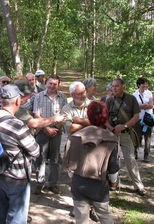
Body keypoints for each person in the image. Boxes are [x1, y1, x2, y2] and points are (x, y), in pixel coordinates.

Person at [63, 101, 118, 224]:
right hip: (99, 184)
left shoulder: (75, 137)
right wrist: (113, 184)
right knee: (105, 216)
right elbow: (113, 169)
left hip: (78, 182)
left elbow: (69, 166)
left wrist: (74, 178)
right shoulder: (111, 139)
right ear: (105, 116)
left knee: (81, 219)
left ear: (89, 116)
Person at [0, 84, 40, 224]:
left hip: (0, 174)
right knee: (17, 217)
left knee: (0, 213)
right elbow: (35, 151)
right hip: (17, 177)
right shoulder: (16, 125)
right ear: (18, 101)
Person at [61, 81, 98, 221]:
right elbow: (68, 128)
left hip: (93, 146)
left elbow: (98, 123)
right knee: (75, 178)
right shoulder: (66, 108)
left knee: (93, 176)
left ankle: (92, 207)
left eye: (83, 92)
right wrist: (87, 121)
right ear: (72, 95)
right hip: (75, 146)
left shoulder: (93, 105)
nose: (82, 95)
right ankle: (78, 206)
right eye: (79, 94)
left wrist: (79, 120)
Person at [105, 79, 147, 196]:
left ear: (123, 87)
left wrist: (124, 126)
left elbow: (136, 116)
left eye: (117, 86)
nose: (114, 88)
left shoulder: (131, 99)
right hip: (112, 135)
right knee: (111, 160)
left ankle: (138, 186)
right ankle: (111, 182)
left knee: (130, 159)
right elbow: (104, 119)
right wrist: (112, 129)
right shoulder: (109, 101)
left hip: (126, 134)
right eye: (113, 86)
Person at [33, 74, 68, 195]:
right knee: (40, 158)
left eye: (55, 84)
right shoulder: (38, 96)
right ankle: (40, 183)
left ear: (58, 85)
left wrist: (56, 129)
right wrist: (47, 128)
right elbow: (36, 115)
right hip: (42, 131)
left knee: (55, 159)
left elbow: (64, 115)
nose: (52, 86)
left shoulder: (62, 97)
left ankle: (53, 184)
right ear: (46, 83)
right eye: (50, 83)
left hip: (57, 132)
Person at [133, 78, 154, 162]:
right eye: (143, 84)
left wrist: (141, 106)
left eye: (146, 84)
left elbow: (151, 105)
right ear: (139, 85)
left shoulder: (149, 93)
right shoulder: (134, 94)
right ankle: (135, 152)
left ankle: (146, 154)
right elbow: (134, 106)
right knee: (137, 136)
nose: (145, 85)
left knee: (148, 136)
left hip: (148, 118)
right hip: (138, 118)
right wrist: (145, 105)